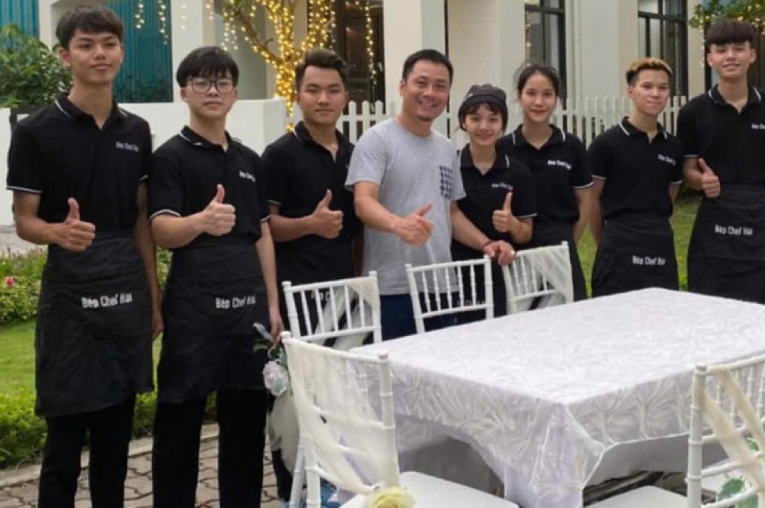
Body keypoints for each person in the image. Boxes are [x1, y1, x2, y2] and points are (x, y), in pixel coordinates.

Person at [6, 4, 159, 508]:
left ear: (121, 51)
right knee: (64, 446)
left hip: (124, 290)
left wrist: (153, 299)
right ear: (65, 55)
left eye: (109, 44)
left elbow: (141, 221)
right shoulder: (35, 131)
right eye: (87, 45)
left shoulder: (136, 131)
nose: (100, 54)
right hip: (69, 296)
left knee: (115, 444)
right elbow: (24, 221)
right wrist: (58, 232)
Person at [148, 46, 283, 508]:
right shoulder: (169, 157)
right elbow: (161, 231)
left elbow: (262, 233)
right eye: (201, 82)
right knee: (179, 420)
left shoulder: (249, 159)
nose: (213, 91)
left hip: (247, 304)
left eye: (222, 82)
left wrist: (272, 304)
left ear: (235, 94)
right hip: (194, 308)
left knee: (246, 423)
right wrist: (201, 221)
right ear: (183, 92)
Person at [346, 49, 514, 340]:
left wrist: (486, 243)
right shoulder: (377, 139)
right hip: (392, 288)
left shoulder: (446, 148)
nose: (430, 93)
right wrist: (398, 224)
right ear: (402, 86)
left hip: (442, 285)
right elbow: (363, 201)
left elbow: (451, 212)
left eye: (440, 86)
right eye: (421, 83)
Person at [260, 48, 360, 503]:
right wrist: (310, 224)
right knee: (292, 404)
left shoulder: (356, 155)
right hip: (295, 297)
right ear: (297, 96)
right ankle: (291, 494)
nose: (323, 99)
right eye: (313, 90)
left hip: (345, 297)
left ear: (346, 97)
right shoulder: (279, 155)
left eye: (332, 90)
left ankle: (335, 488)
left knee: (338, 403)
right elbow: (265, 228)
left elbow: (358, 231)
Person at [677, 20, 765, 304]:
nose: (731, 56)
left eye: (739, 49)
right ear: (710, 59)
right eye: (721, 50)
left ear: (752, 55)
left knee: (762, 307)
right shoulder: (693, 112)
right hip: (714, 217)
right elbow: (687, 169)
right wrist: (701, 181)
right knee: (708, 308)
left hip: (758, 214)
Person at [497, 64, 593, 301]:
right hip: (518, 245)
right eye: (531, 93)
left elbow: (585, 200)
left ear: (556, 99)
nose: (539, 102)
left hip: (560, 244)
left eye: (547, 94)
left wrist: (569, 241)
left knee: (569, 314)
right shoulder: (503, 148)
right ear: (519, 96)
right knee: (522, 315)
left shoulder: (571, 145)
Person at [588, 58, 684, 296]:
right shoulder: (606, 144)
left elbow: (669, 195)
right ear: (631, 91)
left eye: (662, 88)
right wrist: (606, 241)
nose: (655, 94)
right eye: (647, 86)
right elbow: (592, 201)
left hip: (660, 243)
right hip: (618, 246)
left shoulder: (673, 147)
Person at [453, 84, 536, 316]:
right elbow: (448, 217)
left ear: (503, 125)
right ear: (463, 122)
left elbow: (526, 233)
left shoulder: (517, 172)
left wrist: (512, 225)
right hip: (456, 272)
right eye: (475, 118)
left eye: (493, 119)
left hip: (502, 274)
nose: (484, 127)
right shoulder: (451, 165)